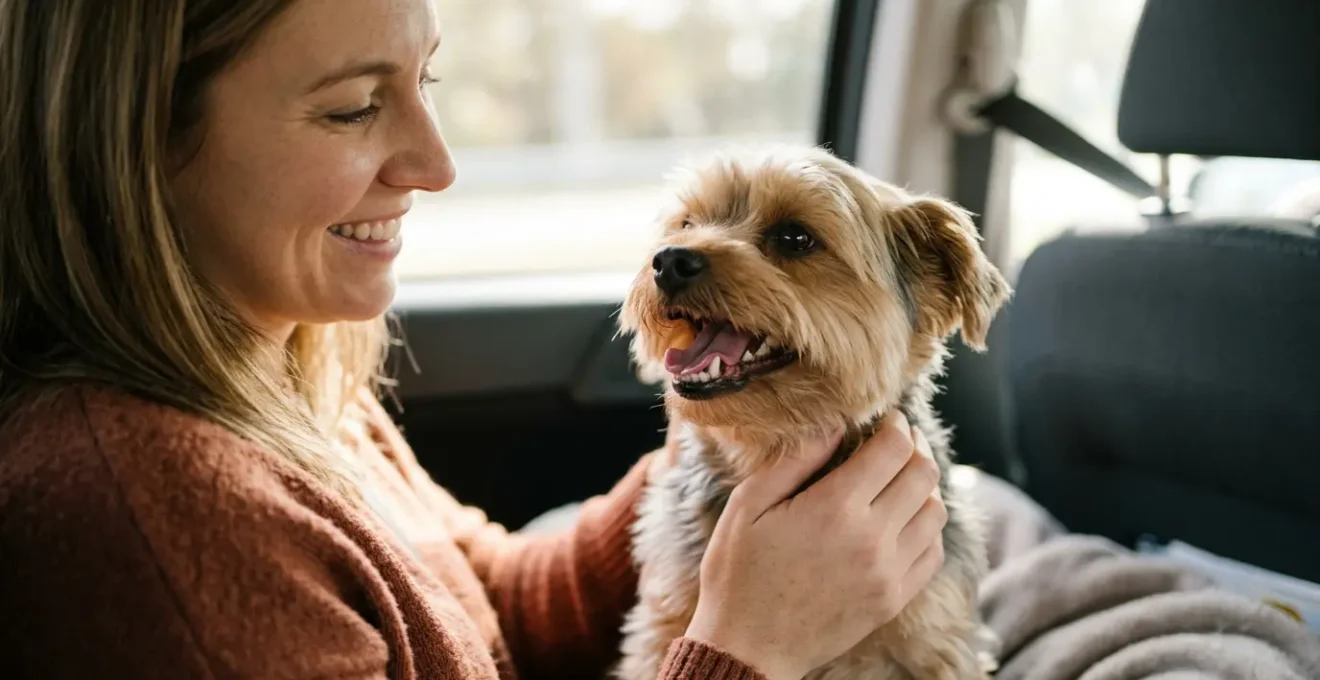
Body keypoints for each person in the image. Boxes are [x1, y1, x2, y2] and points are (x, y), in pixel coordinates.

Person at [0, 1, 949, 679]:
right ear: (137, 141)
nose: (438, 164)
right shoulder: (151, 527)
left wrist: (719, 495)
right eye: (354, 107)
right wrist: (750, 651)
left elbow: (481, 609)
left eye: (425, 80)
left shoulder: (271, 370)